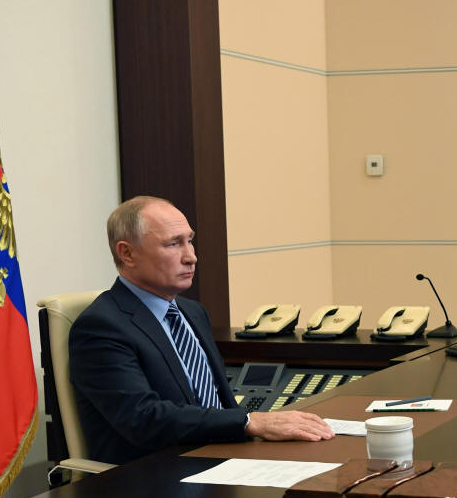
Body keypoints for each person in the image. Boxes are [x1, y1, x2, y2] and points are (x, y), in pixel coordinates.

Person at [70, 196, 334, 464]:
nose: (191, 257)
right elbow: (143, 419)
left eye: (189, 241)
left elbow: (217, 402)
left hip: (223, 457)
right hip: (157, 473)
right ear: (127, 253)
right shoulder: (101, 327)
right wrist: (248, 422)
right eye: (173, 244)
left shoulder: (193, 312)